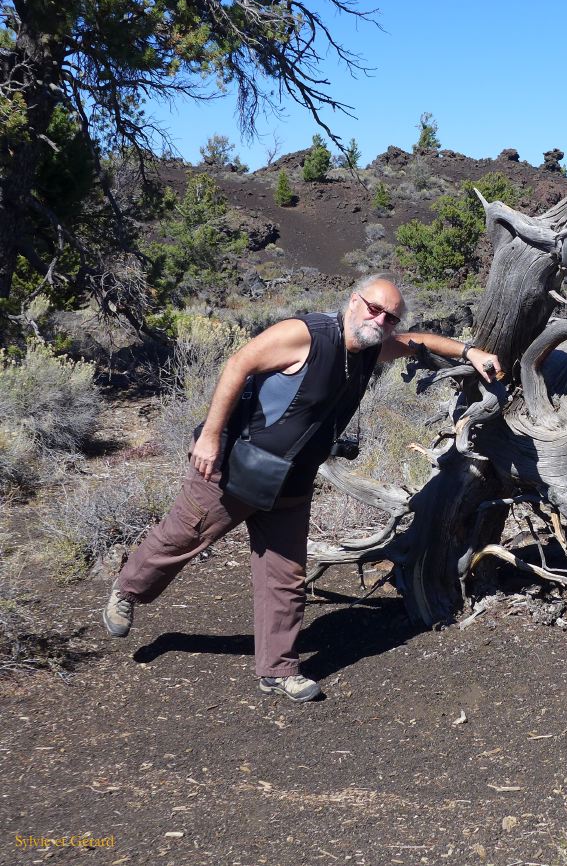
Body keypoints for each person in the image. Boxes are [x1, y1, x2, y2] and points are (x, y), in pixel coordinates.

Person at [102, 275, 500, 702]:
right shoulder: (305, 334)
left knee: (285, 576)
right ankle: (128, 590)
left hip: (291, 483)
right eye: (373, 308)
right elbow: (239, 363)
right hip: (232, 468)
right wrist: (210, 436)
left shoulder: (371, 347)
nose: (380, 320)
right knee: (183, 537)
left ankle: (278, 670)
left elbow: (414, 342)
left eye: (389, 317)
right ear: (354, 301)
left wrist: (468, 351)